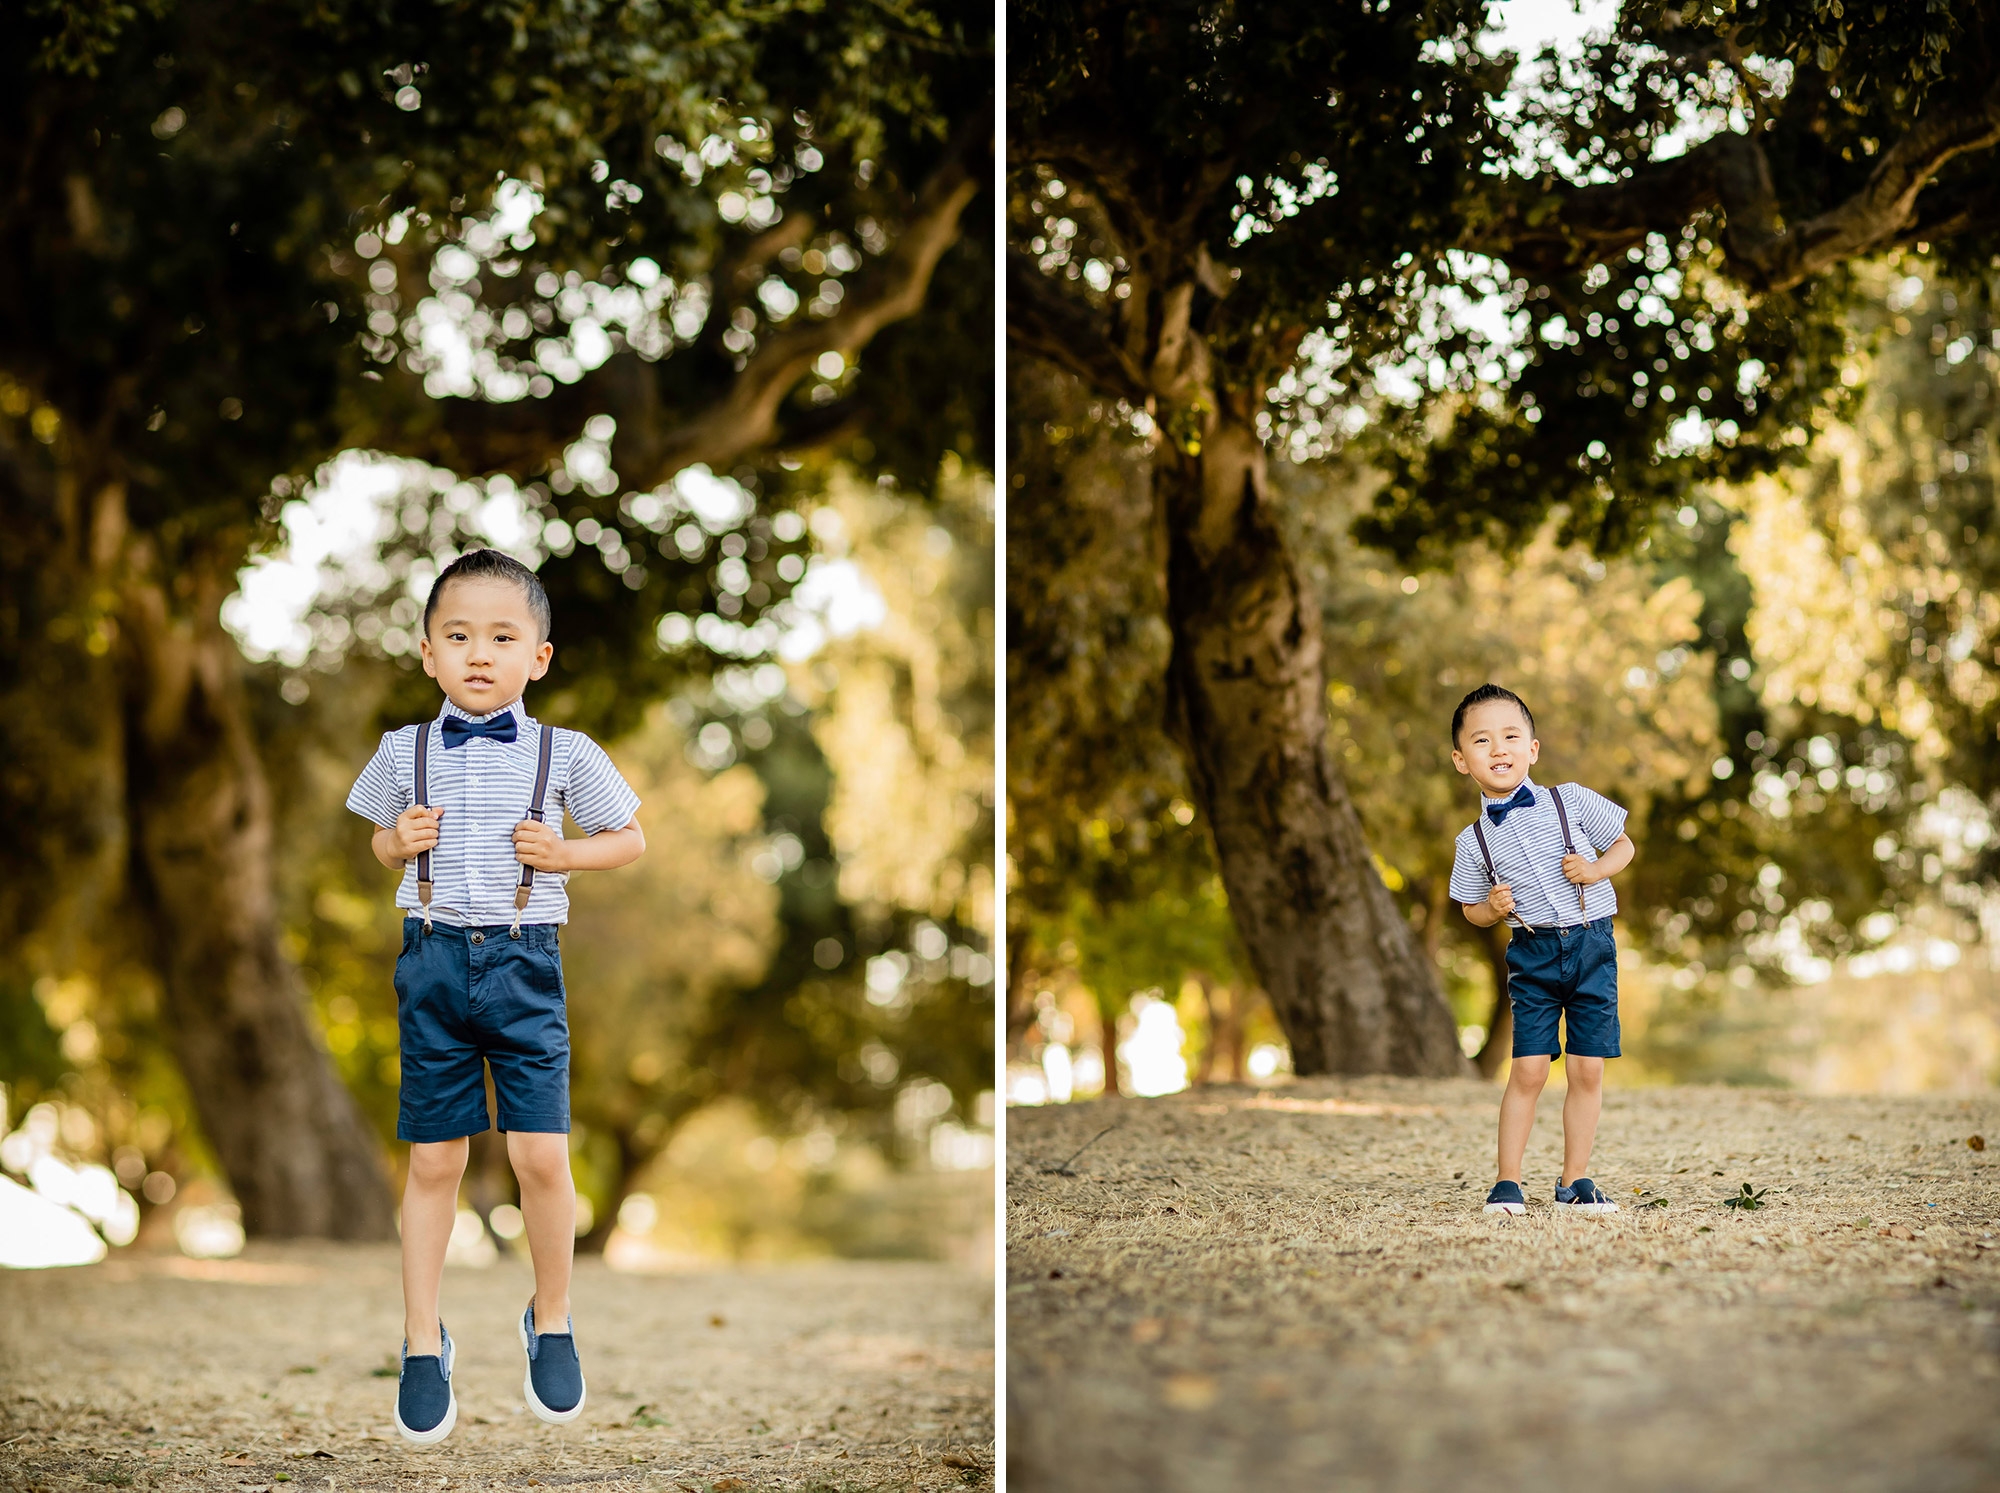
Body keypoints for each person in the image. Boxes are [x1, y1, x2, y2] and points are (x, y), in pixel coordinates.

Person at [346, 548, 646, 1443]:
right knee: (435, 1162)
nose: (480, 653)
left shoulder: (566, 752)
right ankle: (420, 1339)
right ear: (429, 654)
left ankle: (549, 1317)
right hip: (432, 961)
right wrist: (396, 844)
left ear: (539, 657)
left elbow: (628, 838)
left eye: (502, 636)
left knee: (541, 1157)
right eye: (459, 635)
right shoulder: (404, 751)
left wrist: (567, 854)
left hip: (525, 966)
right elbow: (376, 843)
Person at [1446, 684, 1636, 1217]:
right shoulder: (1473, 840)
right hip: (1533, 951)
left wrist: (1596, 869)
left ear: (1532, 748)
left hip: (1592, 941)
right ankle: (1508, 1182)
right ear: (1462, 760)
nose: (1498, 749)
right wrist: (1491, 907)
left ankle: (1574, 1180)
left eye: (1511, 736)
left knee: (1587, 1069)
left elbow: (1624, 844)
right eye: (1482, 741)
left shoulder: (1569, 799)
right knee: (1528, 1070)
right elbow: (1469, 909)